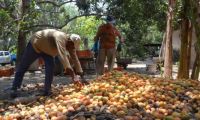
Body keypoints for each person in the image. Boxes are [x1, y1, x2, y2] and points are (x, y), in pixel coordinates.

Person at [9, 29, 86, 97]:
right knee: (23, 66)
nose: (72, 48)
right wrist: (73, 76)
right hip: (35, 44)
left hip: (47, 51)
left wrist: (81, 76)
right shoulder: (60, 37)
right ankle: (14, 88)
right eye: (72, 46)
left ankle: (47, 91)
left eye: (73, 47)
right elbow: (63, 57)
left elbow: (75, 59)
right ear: (70, 41)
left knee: (50, 68)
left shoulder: (70, 46)